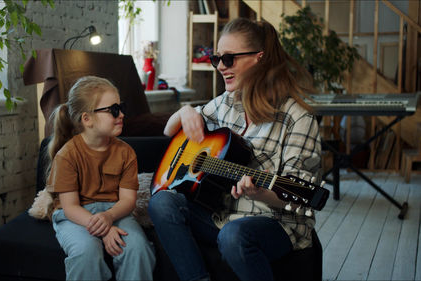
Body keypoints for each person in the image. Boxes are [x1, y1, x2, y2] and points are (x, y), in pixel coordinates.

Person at [148, 18, 321, 281]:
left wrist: (259, 192)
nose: (220, 67)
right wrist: (185, 112)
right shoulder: (225, 104)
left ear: (259, 58)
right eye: (216, 58)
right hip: (221, 215)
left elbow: (297, 194)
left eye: (228, 59)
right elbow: (168, 130)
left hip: (276, 224)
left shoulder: (298, 117)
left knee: (235, 235)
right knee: (161, 202)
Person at [46, 76, 155, 280]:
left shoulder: (126, 153)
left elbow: (128, 200)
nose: (121, 114)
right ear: (87, 119)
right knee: (86, 252)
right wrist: (104, 230)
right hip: (76, 216)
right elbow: (70, 207)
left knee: (138, 248)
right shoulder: (67, 155)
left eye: (121, 107)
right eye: (113, 110)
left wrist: (109, 217)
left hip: (116, 211)